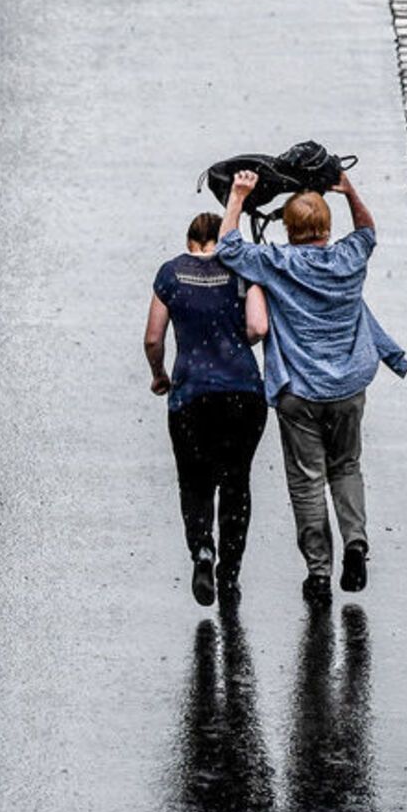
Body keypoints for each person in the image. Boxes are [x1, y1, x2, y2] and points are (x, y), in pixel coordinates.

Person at [216, 170, 407, 609]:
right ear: (326, 228)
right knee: (346, 467)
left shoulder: (276, 263)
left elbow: (229, 247)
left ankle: (318, 573)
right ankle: (356, 543)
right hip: (347, 387)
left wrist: (238, 197)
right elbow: (367, 231)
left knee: (306, 482)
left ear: (289, 228)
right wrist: (348, 191)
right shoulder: (349, 259)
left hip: (299, 391)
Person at [145, 212, 270, 608]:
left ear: (190, 240)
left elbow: (152, 338)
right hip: (243, 394)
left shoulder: (170, 274)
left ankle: (202, 549)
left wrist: (159, 375)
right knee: (236, 483)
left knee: (195, 481)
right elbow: (256, 329)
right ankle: (229, 574)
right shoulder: (242, 270)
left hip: (190, 397)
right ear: (221, 238)